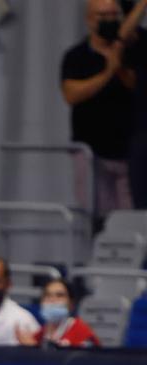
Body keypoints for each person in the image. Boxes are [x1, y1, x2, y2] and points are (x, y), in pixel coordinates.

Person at [60, 0, 135, 217]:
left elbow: (137, 85)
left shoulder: (134, 50)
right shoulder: (76, 56)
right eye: (102, 16)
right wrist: (106, 73)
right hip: (92, 153)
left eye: (114, 15)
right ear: (89, 20)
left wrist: (119, 64)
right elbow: (71, 94)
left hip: (130, 154)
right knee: (96, 218)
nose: (110, 21)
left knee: (132, 221)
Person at [20, 278, 101, 347]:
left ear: (71, 304)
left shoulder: (82, 332)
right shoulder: (38, 336)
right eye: (47, 295)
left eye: (59, 295)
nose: (52, 300)